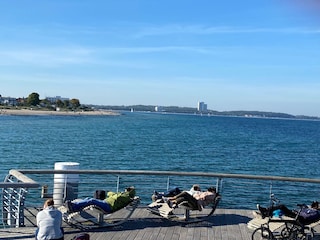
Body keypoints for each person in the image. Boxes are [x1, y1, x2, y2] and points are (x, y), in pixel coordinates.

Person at [66, 186, 135, 213]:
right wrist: (113, 194)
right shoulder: (122, 195)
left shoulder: (126, 197)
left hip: (108, 207)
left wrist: (114, 194)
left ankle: (74, 207)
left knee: (92, 201)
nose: (126, 189)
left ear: (129, 191)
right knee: (88, 198)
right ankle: (75, 206)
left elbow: (116, 197)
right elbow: (110, 194)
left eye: (128, 189)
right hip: (105, 203)